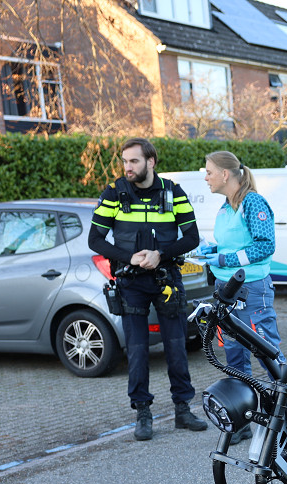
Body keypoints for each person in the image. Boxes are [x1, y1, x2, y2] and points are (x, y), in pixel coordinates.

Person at [88, 137, 207, 441]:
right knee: (138, 351)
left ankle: (183, 410)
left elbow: (192, 237)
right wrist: (129, 257)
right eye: (125, 161)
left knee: (177, 347)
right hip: (130, 283)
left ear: (151, 162)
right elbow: (95, 240)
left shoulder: (173, 193)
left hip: (167, 279)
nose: (127, 167)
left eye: (134, 161)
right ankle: (143, 413)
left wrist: (160, 255)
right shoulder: (114, 194)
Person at [198, 151, 285, 442]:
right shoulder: (225, 207)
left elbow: (265, 246)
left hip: (252, 291)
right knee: (235, 357)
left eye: (209, 171)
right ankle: (242, 420)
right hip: (227, 293)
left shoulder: (253, 202)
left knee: (267, 352)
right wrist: (211, 253)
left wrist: (227, 259)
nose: (205, 176)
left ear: (225, 174)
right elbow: (231, 245)